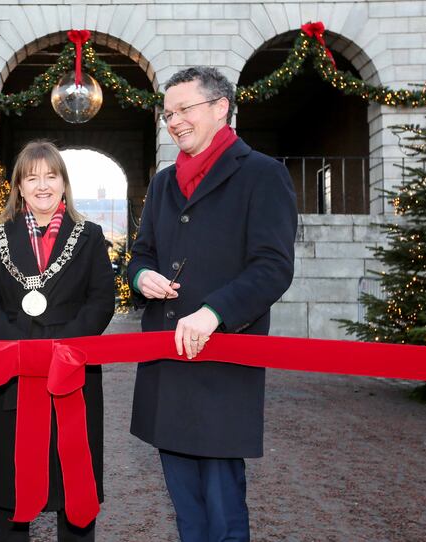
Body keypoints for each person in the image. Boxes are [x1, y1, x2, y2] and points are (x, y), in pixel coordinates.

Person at [127, 67, 297, 541]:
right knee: (185, 505)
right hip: (166, 360)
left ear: (221, 107)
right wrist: (143, 276)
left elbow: (272, 267)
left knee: (223, 507)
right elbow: (139, 254)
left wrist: (215, 311)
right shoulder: (162, 183)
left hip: (223, 359)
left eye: (184, 109)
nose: (174, 121)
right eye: (168, 113)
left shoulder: (264, 174)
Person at [0, 140, 115, 541]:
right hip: (12, 376)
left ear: (64, 184)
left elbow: (101, 300)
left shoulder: (89, 235)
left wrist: (61, 348)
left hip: (74, 372)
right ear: (18, 187)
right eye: (32, 177)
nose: (42, 185)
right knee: (12, 486)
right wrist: (22, 350)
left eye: (51, 176)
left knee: (74, 485)